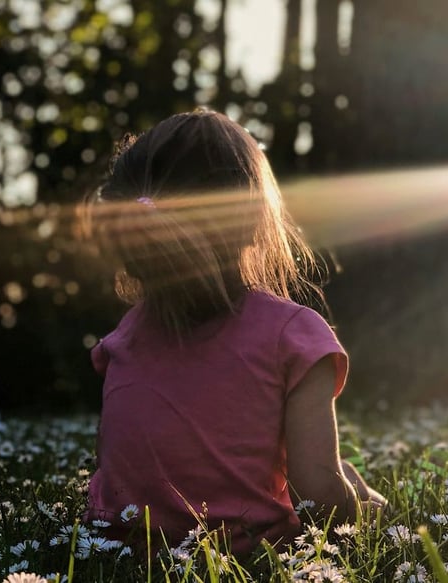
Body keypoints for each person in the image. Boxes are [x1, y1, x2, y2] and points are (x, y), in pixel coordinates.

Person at [83, 110, 385, 555]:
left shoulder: (123, 338)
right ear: (250, 221)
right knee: (347, 483)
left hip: (119, 551)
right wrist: (365, 510)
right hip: (246, 556)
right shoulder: (293, 336)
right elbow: (319, 497)